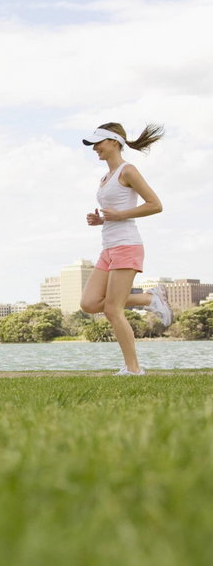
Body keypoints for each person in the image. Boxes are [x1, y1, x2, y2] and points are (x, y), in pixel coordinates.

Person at [78, 123, 170, 376]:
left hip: (127, 245)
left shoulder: (127, 170)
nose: (95, 148)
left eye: (99, 142)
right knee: (88, 303)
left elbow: (155, 205)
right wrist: (102, 219)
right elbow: (115, 213)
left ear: (115, 142)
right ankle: (149, 299)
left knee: (111, 310)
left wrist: (119, 215)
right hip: (108, 247)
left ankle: (134, 369)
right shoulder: (105, 176)